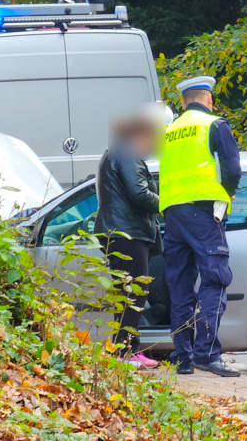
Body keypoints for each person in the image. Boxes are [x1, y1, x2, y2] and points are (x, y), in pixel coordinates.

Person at [159, 75, 242, 376]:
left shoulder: (169, 131)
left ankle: (184, 358)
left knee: (180, 286)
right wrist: (228, 192)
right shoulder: (215, 125)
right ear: (208, 99)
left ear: (183, 102)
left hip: (172, 214)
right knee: (215, 279)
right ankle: (207, 353)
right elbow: (232, 169)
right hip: (204, 213)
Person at [94, 112, 162, 369]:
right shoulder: (126, 153)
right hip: (127, 233)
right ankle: (126, 352)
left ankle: (128, 349)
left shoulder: (117, 152)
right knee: (133, 294)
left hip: (120, 231)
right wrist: (165, 203)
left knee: (127, 293)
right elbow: (139, 193)